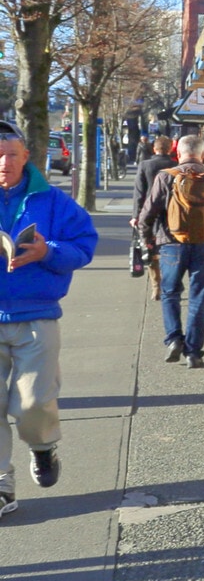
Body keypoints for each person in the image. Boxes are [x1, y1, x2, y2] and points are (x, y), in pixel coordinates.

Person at [0, 118, 99, 518]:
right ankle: (2, 484)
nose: (3, 163)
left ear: (26, 157)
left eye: (10, 155)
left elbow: (85, 245)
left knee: (33, 404)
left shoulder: (54, 202)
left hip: (36, 317)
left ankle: (42, 447)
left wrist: (48, 252)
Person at [138, 137, 204, 366]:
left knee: (170, 292)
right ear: (202, 155)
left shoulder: (166, 176)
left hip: (170, 242)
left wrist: (148, 241)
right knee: (199, 296)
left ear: (179, 154)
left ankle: (174, 338)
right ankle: (194, 353)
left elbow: (146, 215)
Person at [131, 136, 174, 299]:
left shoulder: (145, 165)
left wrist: (136, 215)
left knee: (150, 249)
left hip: (149, 214)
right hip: (171, 214)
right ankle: (170, 283)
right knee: (170, 248)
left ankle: (156, 286)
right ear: (170, 149)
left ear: (154, 149)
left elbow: (139, 193)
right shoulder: (175, 166)